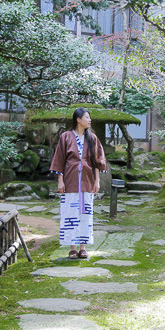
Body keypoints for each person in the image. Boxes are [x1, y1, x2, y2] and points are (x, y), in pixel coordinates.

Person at [49, 108, 109, 259]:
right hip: (70, 180)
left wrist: (97, 181)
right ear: (78, 119)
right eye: (87, 117)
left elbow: (97, 162)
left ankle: (83, 247)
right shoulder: (66, 137)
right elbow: (59, 160)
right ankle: (72, 248)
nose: (89, 120)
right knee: (70, 213)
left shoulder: (92, 138)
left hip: (87, 181)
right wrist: (60, 181)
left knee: (85, 213)